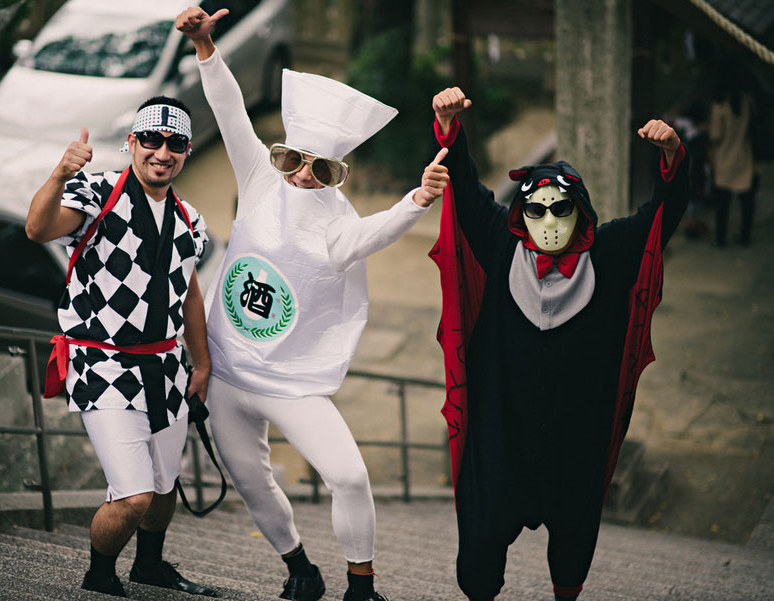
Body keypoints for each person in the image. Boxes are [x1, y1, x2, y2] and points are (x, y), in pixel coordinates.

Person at [175, 7, 449, 601]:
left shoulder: (337, 225)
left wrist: (417, 200)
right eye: (290, 159)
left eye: (319, 168)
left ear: (338, 174)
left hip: (289, 380)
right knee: (252, 484)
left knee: (349, 475)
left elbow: (371, 236)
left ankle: (362, 585)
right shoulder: (255, 177)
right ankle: (299, 568)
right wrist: (205, 47)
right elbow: (228, 111)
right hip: (223, 371)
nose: (300, 175)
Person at [428, 88, 688, 601]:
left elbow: (663, 214)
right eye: (536, 212)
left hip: (576, 441)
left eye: (561, 210)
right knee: (479, 546)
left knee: (572, 544)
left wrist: (673, 157)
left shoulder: (609, 255)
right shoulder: (502, 249)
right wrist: (448, 126)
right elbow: (464, 183)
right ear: (520, 218)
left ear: (583, 215)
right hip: (502, 438)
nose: (548, 223)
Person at [26, 96, 217, 598]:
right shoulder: (97, 192)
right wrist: (58, 173)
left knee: (165, 484)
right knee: (133, 496)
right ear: (131, 142)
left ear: (187, 151)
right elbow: (38, 229)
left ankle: (149, 566)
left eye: (174, 144)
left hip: (167, 366)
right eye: (151, 140)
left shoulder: (189, 218)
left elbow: (190, 291)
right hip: (101, 363)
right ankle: (100, 574)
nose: (162, 152)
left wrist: (201, 361)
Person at [709, 65, 757, 247]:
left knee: (722, 202)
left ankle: (721, 238)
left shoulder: (720, 106)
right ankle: (745, 236)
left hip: (725, 159)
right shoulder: (747, 101)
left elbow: (715, 135)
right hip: (744, 156)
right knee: (746, 201)